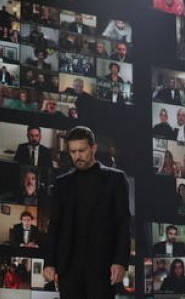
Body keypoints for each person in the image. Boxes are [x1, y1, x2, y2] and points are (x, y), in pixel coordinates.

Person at [42, 126, 131, 299]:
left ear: (94, 148)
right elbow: (55, 226)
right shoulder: (62, 183)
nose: (77, 156)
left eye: (81, 150)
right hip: (68, 267)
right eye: (73, 151)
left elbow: (123, 223)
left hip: (103, 266)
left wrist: (120, 261)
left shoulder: (116, 179)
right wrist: (49, 263)